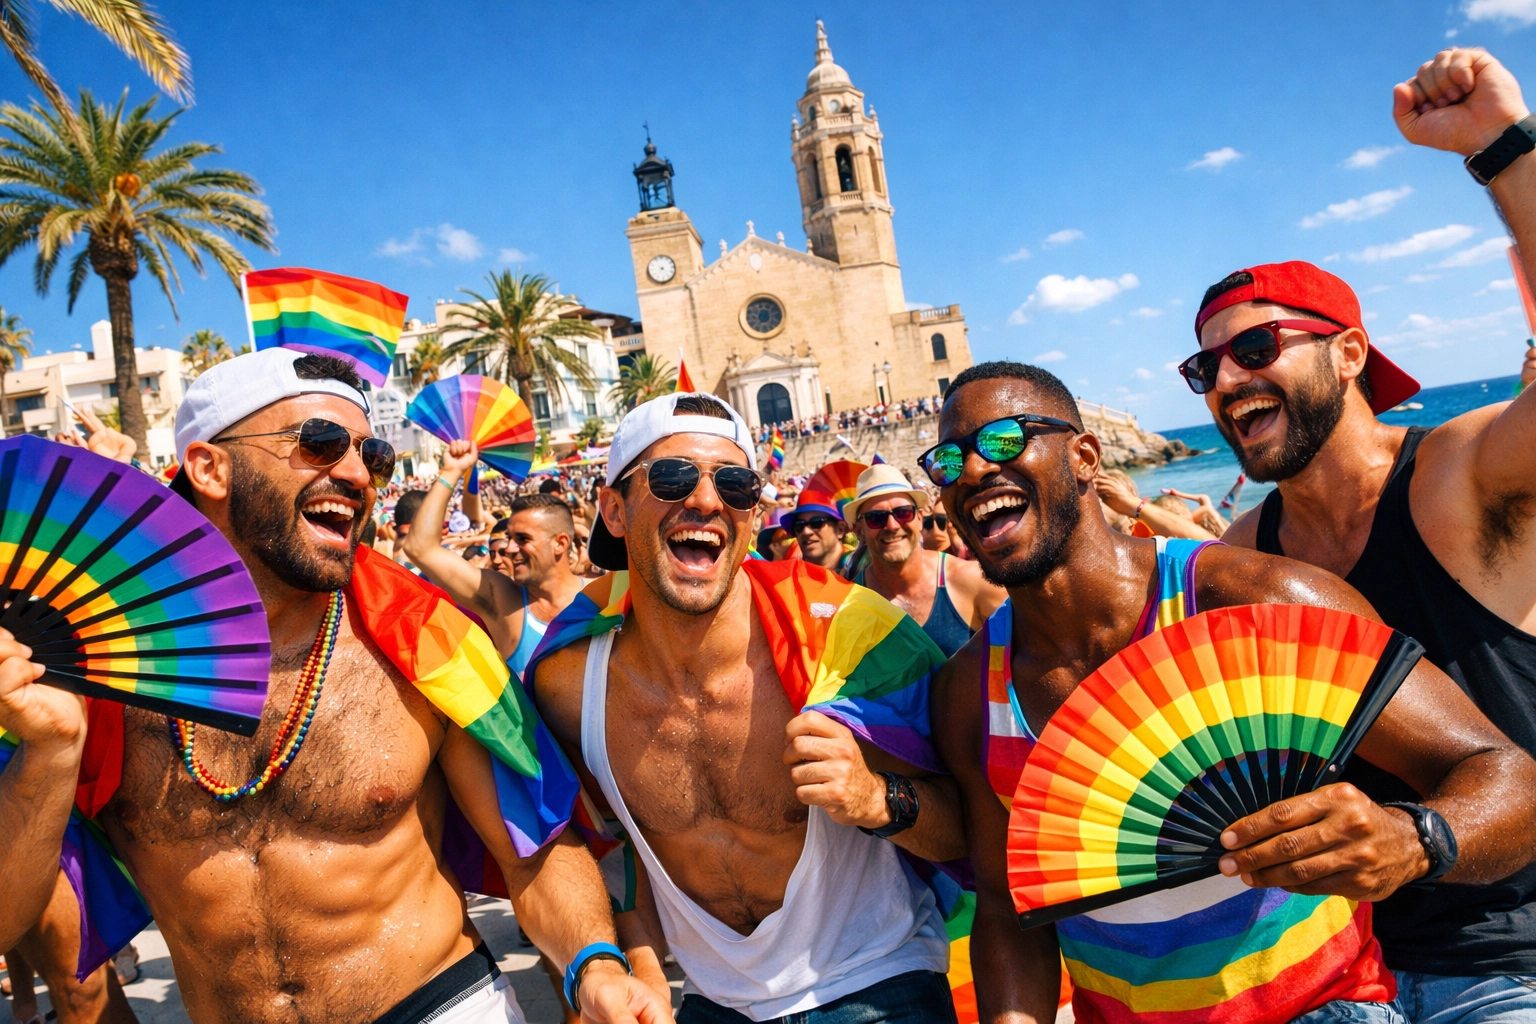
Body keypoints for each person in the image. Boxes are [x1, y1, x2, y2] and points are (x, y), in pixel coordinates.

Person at [1, 350, 671, 1024]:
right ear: (209, 469)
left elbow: (533, 845)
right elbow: (12, 921)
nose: (355, 474)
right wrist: (51, 752)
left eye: (371, 456)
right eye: (319, 443)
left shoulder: (423, 643)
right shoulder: (100, 674)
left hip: (439, 1006)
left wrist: (594, 965)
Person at [923, 361, 1536, 1024]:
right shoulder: (967, 693)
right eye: (948, 458)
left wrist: (1412, 839)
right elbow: (1010, 907)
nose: (975, 469)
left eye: (1006, 441)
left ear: (1086, 457)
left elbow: (1508, 778)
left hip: (1322, 1010)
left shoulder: (1258, 604)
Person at [1184, 48, 1536, 1024]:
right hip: (1336, 969)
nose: (1224, 384)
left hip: (1511, 955)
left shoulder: (1455, 477)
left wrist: (1504, 148)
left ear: (1347, 352)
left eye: (1255, 350)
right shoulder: (1254, 544)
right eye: (1202, 369)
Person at [524, 393, 969, 1023]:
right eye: (673, 476)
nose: (706, 500)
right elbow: (605, 846)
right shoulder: (569, 681)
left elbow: (971, 827)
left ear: (754, 518)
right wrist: (636, 969)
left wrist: (877, 799)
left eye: (735, 484)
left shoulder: (852, 640)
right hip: (712, 1002)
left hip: (878, 982)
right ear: (615, 510)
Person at [404, 440, 587, 681]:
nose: (510, 548)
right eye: (509, 538)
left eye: (523, 539)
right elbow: (420, 547)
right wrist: (452, 471)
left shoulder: (602, 596)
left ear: (560, 544)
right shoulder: (502, 600)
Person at [843, 464, 1006, 658]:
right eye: (875, 518)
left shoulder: (973, 582)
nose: (892, 526)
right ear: (859, 530)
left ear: (919, 519)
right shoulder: (849, 604)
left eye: (903, 513)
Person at [787, 482, 856, 577]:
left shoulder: (859, 570)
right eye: (799, 525)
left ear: (840, 529)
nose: (806, 531)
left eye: (817, 523)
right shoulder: (792, 577)